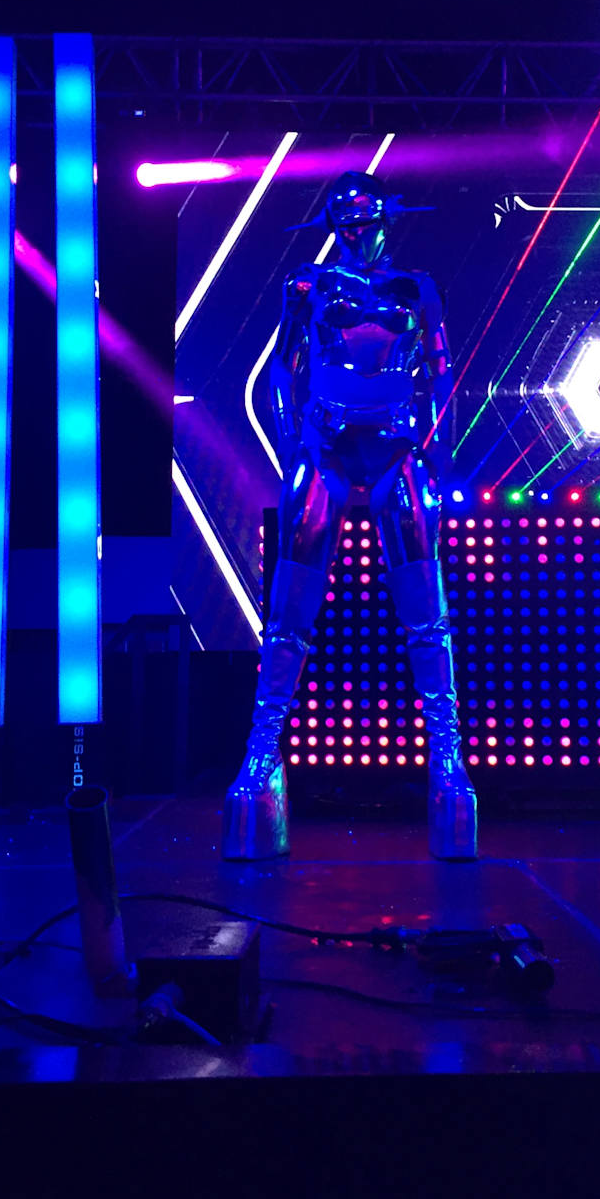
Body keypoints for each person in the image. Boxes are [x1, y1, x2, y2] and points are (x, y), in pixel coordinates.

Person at [222, 171, 478, 861]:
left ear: (386, 218)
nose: (356, 233)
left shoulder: (416, 288)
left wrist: (431, 447)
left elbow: (443, 372)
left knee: (426, 615)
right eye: (345, 222)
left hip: (395, 447)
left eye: (365, 220)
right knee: (287, 618)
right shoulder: (308, 284)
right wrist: (293, 442)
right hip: (326, 445)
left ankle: (448, 760)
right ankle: (259, 756)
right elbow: (281, 368)